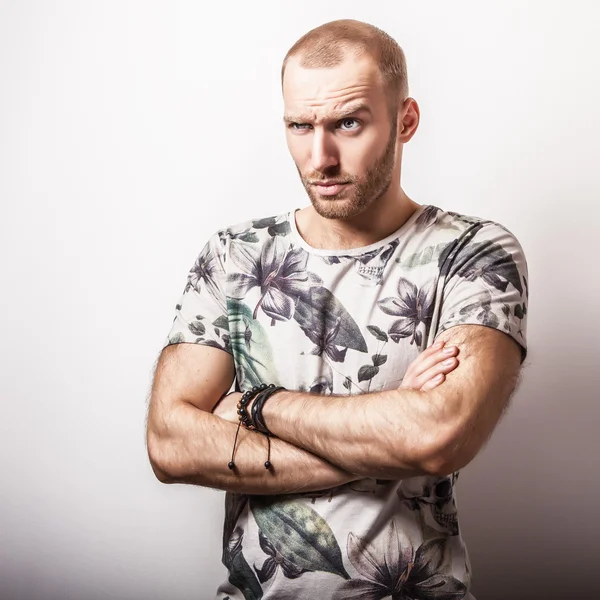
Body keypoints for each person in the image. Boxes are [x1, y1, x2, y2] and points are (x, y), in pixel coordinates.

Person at [146, 18, 528, 600]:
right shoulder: (236, 254)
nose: (319, 157)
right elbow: (170, 444)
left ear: (406, 120)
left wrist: (256, 405)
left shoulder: (472, 254)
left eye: (348, 123)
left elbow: (437, 437)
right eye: (300, 125)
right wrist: (389, 427)